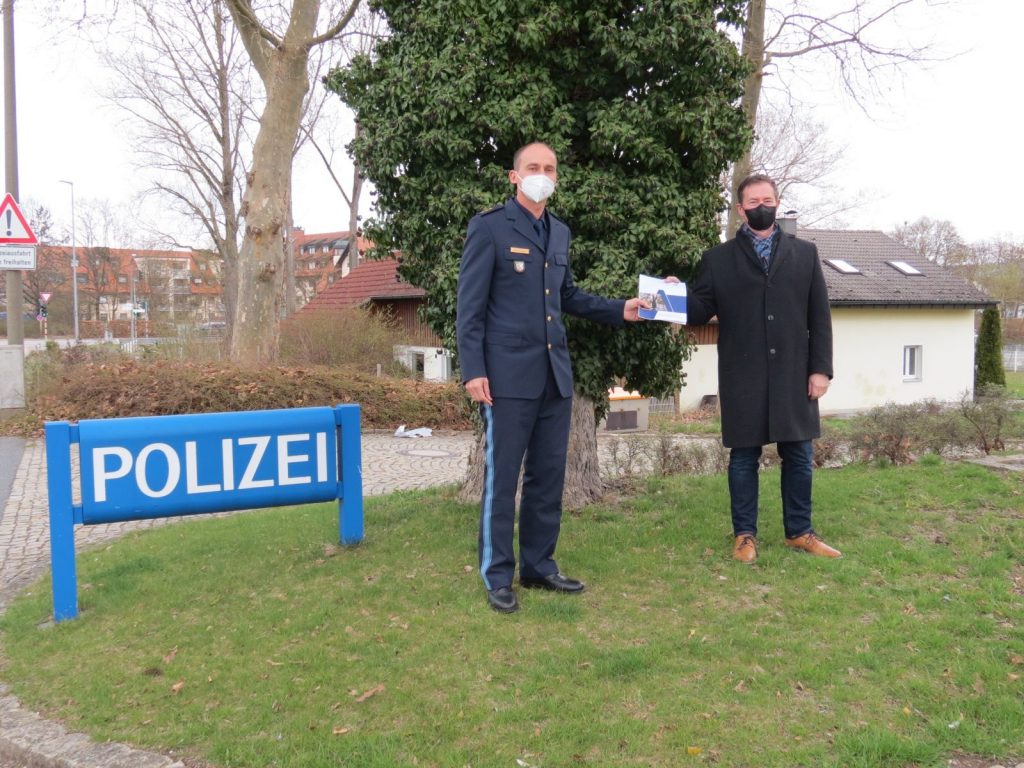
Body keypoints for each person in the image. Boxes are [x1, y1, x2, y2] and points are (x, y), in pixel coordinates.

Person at [456, 142, 648, 613]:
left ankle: (539, 565)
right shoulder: (489, 228)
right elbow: (470, 308)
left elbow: (567, 296)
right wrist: (474, 371)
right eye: (533, 167)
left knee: (547, 477)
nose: (543, 174)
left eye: (550, 168)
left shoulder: (558, 232)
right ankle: (497, 575)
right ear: (514, 176)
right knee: (503, 482)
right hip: (505, 379)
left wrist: (620, 309)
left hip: (554, 377)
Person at [682, 173, 840, 564]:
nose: (761, 206)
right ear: (740, 210)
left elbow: (819, 315)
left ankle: (800, 532)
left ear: (777, 201)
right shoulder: (717, 260)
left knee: (800, 455)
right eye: (752, 202)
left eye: (767, 199)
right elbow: (699, 309)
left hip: (793, 373)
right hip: (743, 373)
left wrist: (820, 369)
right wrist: (673, 295)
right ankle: (744, 536)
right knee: (742, 459)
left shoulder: (805, 253)